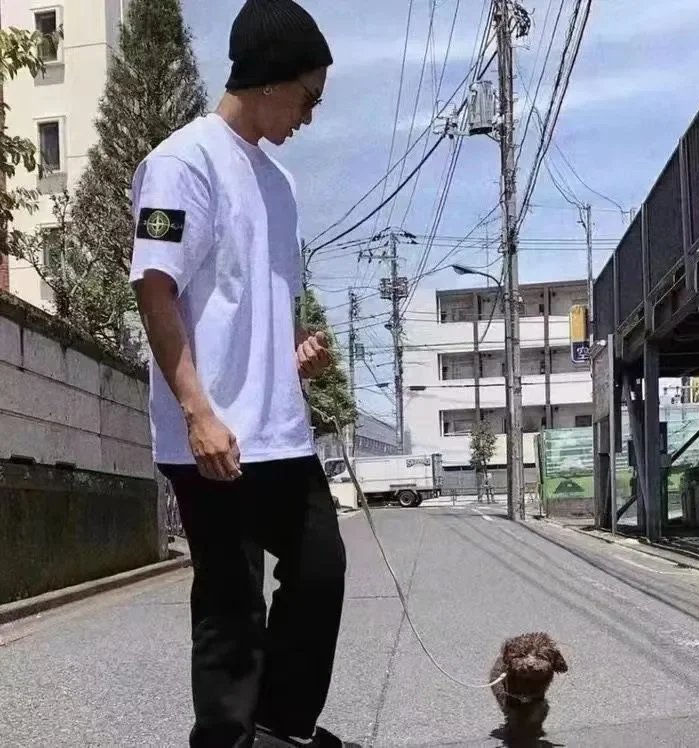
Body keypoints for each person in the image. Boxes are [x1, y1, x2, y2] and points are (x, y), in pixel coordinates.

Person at [129, 2, 355, 746]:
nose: (310, 116)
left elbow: (252, 301)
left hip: (280, 431)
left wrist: (295, 354)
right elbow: (155, 290)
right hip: (213, 433)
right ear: (267, 80)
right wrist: (196, 411)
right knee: (232, 609)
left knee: (320, 569)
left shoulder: (279, 183)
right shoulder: (180, 164)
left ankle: (279, 730)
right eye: (307, 97)